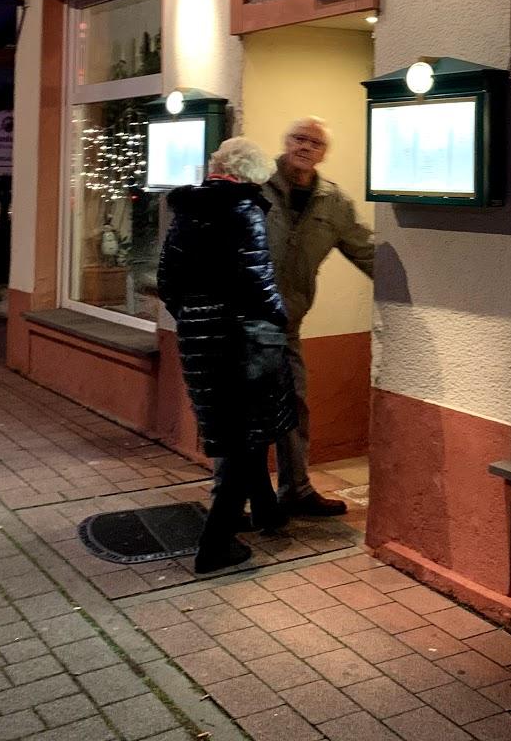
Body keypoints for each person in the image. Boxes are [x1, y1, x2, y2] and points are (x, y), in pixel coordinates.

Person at [157, 137, 296, 574]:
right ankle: (214, 546)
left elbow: (167, 280)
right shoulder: (243, 210)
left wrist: (195, 316)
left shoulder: (187, 210)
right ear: (252, 175)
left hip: (198, 335)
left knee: (240, 429)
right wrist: (280, 317)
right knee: (243, 437)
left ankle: (267, 510)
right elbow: (258, 277)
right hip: (243, 336)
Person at [262, 117, 374, 516]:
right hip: (242, 324)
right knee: (242, 412)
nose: (305, 147)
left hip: (287, 324)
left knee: (293, 405)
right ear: (286, 141)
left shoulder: (334, 202)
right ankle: (233, 498)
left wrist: (411, 290)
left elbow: (365, 249)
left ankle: (296, 490)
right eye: (298, 138)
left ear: (324, 153)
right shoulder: (255, 186)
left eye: (315, 142)